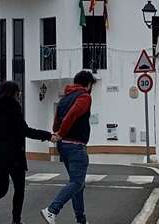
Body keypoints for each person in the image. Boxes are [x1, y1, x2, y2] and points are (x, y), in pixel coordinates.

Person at [0, 80, 53, 224]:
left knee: (1, 189)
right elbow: (25, 131)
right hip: (14, 156)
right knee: (19, 189)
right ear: (13, 94)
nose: (19, 96)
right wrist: (48, 135)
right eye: (18, 93)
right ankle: (16, 221)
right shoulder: (14, 109)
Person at [40, 70, 96, 224]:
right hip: (76, 146)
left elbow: (57, 120)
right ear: (89, 84)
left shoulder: (65, 98)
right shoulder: (85, 96)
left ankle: (81, 220)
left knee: (77, 184)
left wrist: (57, 134)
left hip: (63, 146)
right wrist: (62, 133)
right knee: (77, 183)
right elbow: (73, 114)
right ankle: (52, 210)